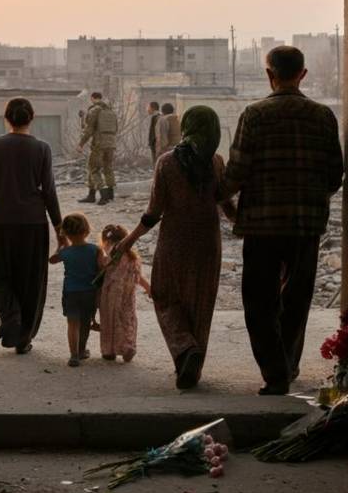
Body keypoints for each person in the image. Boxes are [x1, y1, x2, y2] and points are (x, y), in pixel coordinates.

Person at [221, 45, 344, 395]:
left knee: (259, 300)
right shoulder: (323, 117)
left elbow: (237, 172)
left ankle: (275, 373)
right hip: (306, 224)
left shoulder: (255, 115)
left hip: (262, 226)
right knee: (297, 297)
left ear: (268, 74)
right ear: (302, 74)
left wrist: (219, 195)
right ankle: (288, 364)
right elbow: (335, 175)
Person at [115, 106, 234, 389]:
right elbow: (225, 203)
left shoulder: (167, 163)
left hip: (174, 243)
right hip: (208, 244)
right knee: (200, 305)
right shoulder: (216, 162)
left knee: (165, 296)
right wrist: (245, 225)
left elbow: (153, 213)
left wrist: (128, 240)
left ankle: (185, 350)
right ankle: (192, 364)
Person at [0, 97, 63, 354]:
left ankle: (10, 317)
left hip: (1, 223)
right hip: (34, 224)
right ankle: (23, 338)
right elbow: (49, 192)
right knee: (31, 281)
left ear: (6, 118)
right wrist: (59, 229)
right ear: (31, 118)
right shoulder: (42, 149)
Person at [49, 213, 101, 367]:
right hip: (89, 292)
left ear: (65, 233)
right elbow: (102, 265)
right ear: (86, 230)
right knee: (85, 323)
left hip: (71, 293)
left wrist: (60, 245)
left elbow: (51, 260)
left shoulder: (65, 253)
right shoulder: (94, 249)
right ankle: (82, 350)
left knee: (72, 324)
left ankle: (73, 356)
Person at [97, 224, 150, 362]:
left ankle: (109, 350)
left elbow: (100, 270)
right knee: (127, 319)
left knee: (109, 320)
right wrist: (148, 288)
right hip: (127, 294)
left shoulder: (106, 254)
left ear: (106, 239)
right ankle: (128, 347)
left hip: (109, 294)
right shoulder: (133, 257)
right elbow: (138, 277)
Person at [77, 92, 118, 205]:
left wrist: (81, 143)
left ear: (92, 98)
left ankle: (103, 196)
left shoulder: (94, 110)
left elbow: (89, 129)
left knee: (93, 168)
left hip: (99, 144)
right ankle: (108, 195)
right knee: (108, 168)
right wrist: (83, 118)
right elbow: (116, 129)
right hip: (111, 144)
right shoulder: (111, 112)